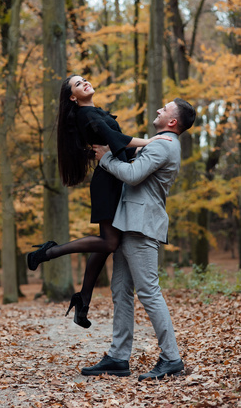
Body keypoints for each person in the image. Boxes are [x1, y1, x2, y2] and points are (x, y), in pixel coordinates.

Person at [27, 75, 172, 328]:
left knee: (105, 244)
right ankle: (48, 252)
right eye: (77, 84)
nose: (84, 82)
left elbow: (122, 149)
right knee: (109, 242)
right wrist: (151, 141)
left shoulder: (95, 112)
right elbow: (120, 142)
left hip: (116, 178)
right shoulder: (86, 116)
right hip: (108, 183)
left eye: (84, 79)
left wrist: (146, 149)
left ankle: (83, 299)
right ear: (73, 97)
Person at [80, 98, 196, 381]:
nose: (158, 109)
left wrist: (105, 157)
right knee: (120, 291)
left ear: (172, 121)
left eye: (164, 109)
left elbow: (132, 176)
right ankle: (118, 358)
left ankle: (172, 359)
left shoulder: (162, 145)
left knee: (149, 292)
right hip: (127, 224)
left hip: (141, 227)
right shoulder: (159, 144)